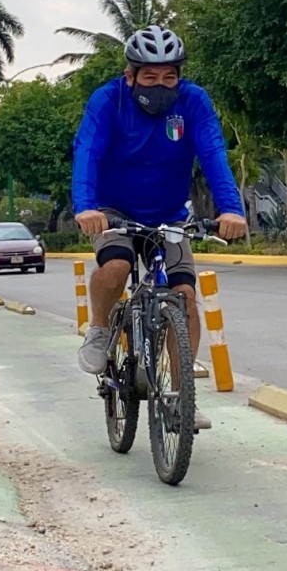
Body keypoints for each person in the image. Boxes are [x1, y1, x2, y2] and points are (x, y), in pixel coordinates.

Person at [71, 25, 248, 430]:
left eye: (170, 76)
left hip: (170, 213)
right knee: (115, 268)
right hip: (113, 211)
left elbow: (214, 153)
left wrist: (231, 209)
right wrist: (86, 207)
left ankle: (182, 396)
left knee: (184, 295)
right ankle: (100, 329)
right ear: (130, 74)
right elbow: (87, 153)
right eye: (149, 76)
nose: (161, 84)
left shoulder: (193, 102)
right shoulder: (107, 101)